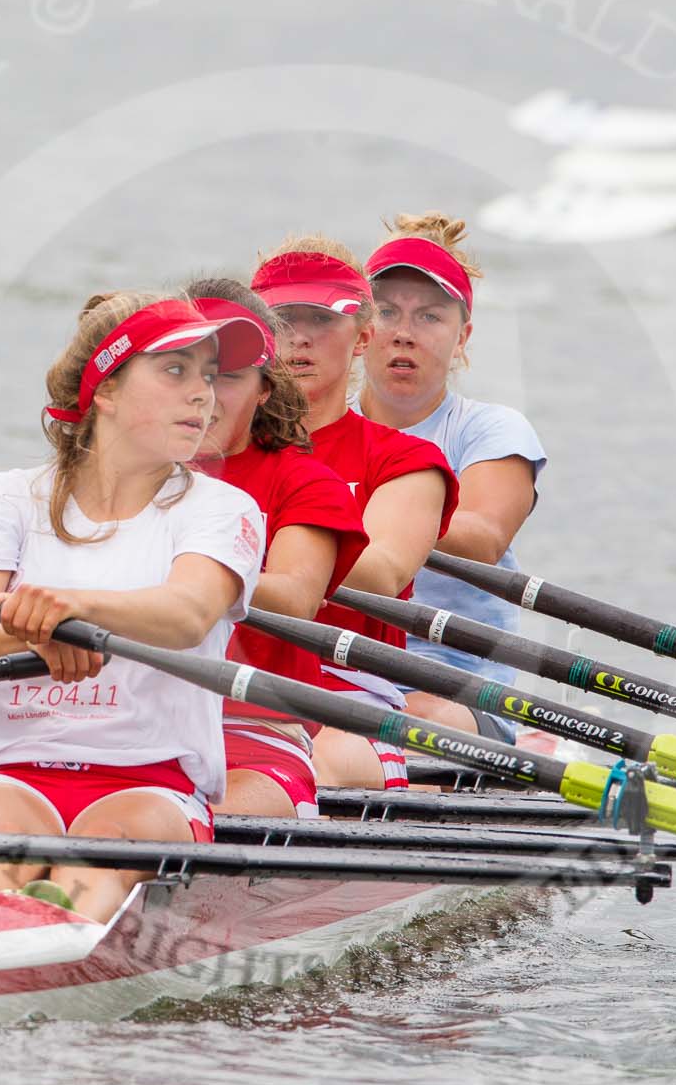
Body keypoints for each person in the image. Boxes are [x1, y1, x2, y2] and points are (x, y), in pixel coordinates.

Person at [0, 292, 270, 922]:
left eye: (209, 375)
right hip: (7, 771)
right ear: (105, 391)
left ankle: (39, 930)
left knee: (94, 870)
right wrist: (39, 632)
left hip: (150, 781)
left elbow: (188, 612)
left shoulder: (222, 509)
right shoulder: (0, 500)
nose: (204, 394)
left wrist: (69, 611)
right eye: (175, 370)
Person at [250, 236, 457, 790]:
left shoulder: (405, 459)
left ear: (363, 336)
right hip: (216, 681)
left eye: (320, 319)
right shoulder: (207, 450)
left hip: (347, 694)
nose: (297, 337)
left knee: (311, 766)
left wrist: (231, 549)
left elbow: (387, 571)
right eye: (278, 318)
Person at [358, 213, 546, 745]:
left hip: (458, 687)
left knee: (403, 724)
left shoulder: (490, 430)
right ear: (359, 331)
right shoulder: (316, 430)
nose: (403, 333)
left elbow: (483, 538)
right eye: (386, 312)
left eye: (429, 317)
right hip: (339, 673)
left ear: (462, 336)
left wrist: (331, 516)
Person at [184, 279, 369, 819]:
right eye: (185, 371)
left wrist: (185, 582)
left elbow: (294, 597)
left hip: (254, 724)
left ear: (265, 388)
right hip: (125, 714)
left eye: (230, 378)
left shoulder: (305, 483)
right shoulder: (119, 479)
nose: (205, 394)